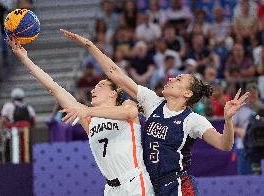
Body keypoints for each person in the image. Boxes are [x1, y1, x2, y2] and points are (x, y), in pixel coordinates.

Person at [60, 30, 250, 195]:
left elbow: (224, 145)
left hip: (178, 185)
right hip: (154, 185)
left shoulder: (192, 120)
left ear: (187, 93)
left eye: (178, 79)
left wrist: (228, 120)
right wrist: (90, 45)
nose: (171, 78)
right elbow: (115, 73)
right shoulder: (153, 103)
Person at [6, 38, 154, 196]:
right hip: (112, 189)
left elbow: (130, 114)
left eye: (99, 86)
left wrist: (88, 111)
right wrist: (25, 59)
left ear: (113, 93)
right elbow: (54, 88)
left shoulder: (126, 105)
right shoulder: (89, 118)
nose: (93, 90)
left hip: (134, 183)